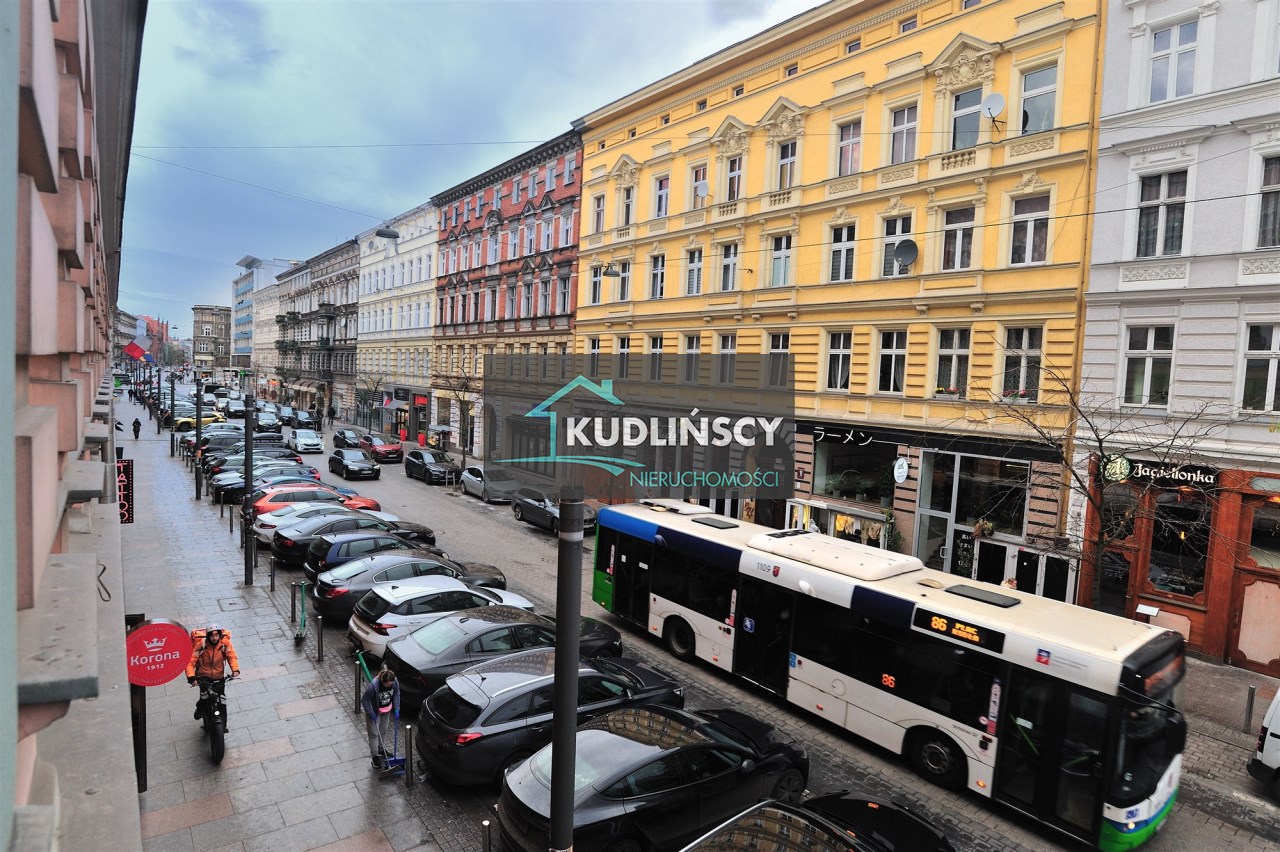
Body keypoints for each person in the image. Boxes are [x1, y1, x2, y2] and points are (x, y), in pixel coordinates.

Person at [186, 624, 240, 722]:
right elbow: (191, 662)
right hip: (203, 676)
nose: (214, 638)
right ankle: (200, 709)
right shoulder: (201, 645)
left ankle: (223, 725)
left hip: (219, 676)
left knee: (222, 701)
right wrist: (191, 677)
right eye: (212, 636)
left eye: (216, 635)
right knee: (204, 697)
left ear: (220, 635)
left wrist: (235, 670)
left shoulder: (224, 644)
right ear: (208, 636)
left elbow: (231, 656)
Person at [361, 669, 400, 769]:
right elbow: (364, 700)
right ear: (383, 682)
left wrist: (397, 708)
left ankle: (381, 750)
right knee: (374, 734)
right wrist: (371, 713)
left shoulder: (395, 682)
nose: (389, 686)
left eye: (391, 684)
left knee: (383, 731)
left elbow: (396, 693)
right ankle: (375, 756)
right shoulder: (373, 686)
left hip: (386, 710)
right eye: (387, 685)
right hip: (374, 712)